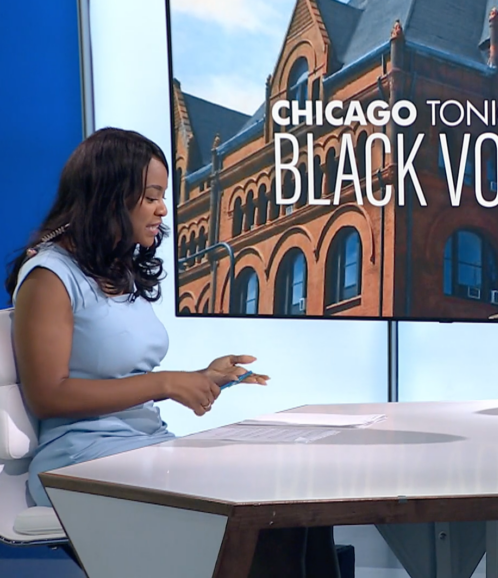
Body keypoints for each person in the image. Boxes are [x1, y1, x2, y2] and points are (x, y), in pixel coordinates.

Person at [5, 128, 337, 578]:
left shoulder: (117, 269)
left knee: (298, 501)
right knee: (262, 515)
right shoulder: (48, 276)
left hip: (146, 446)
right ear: (109, 197)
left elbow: (122, 371)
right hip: (81, 462)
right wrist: (166, 383)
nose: (163, 209)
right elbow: (49, 395)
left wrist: (202, 375)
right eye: (150, 196)